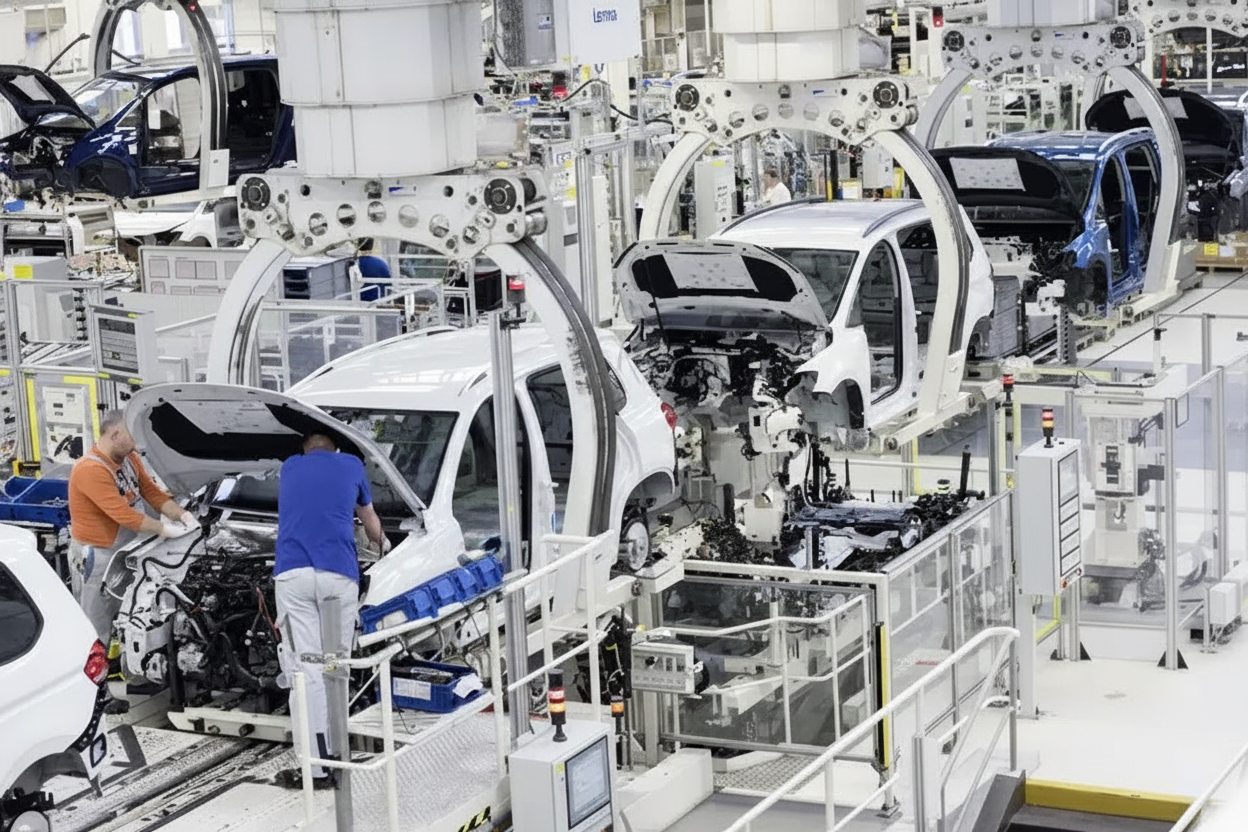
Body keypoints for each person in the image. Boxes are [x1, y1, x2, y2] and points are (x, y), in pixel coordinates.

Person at [272, 431, 386, 790]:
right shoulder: (351, 465)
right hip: (339, 577)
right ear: (335, 447)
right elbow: (369, 519)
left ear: (304, 448)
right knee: (336, 667)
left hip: (294, 578)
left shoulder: (290, 467)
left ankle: (316, 768)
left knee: (306, 672)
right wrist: (383, 543)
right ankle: (337, 753)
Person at [68, 410, 196, 644]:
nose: (136, 445)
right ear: (115, 434)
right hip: (100, 556)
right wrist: (165, 529)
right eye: (132, 437)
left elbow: (152, 493)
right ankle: (97, 666)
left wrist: (183, 515)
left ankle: (126, 659)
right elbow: (123, 515)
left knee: (128, 614)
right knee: (97, 623)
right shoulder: (90, 469)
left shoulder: (128, 460)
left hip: (128, 550)